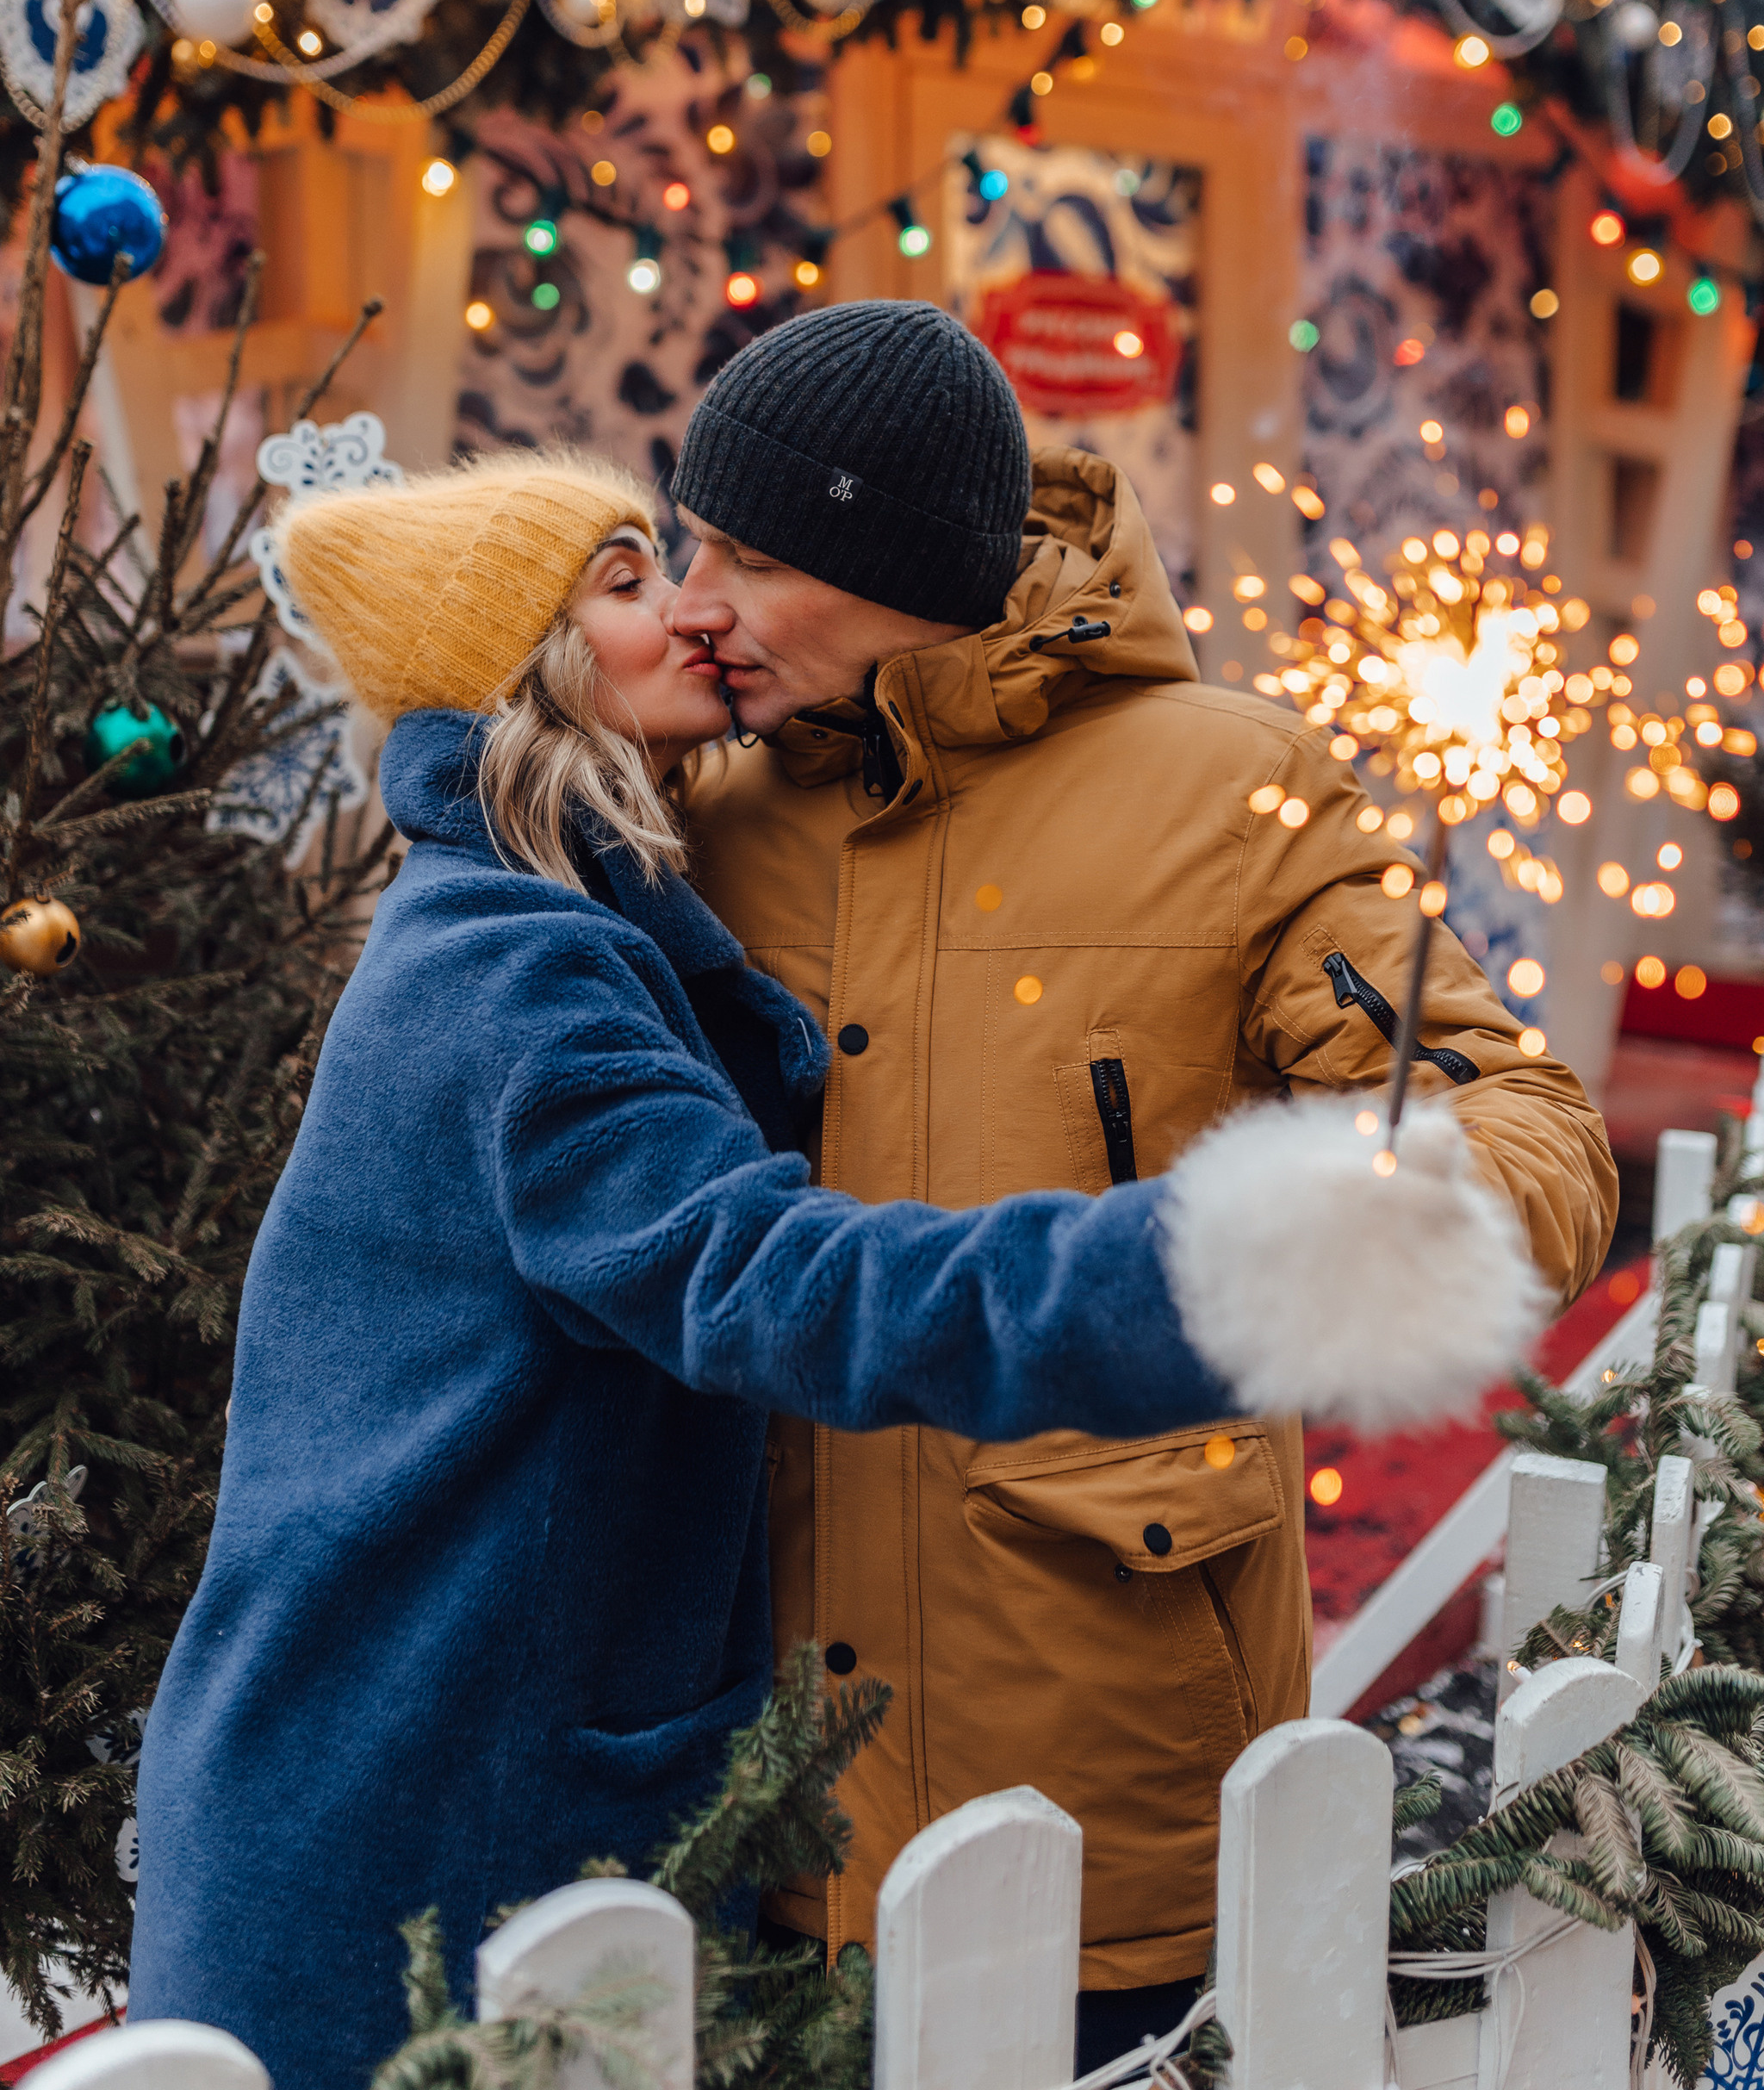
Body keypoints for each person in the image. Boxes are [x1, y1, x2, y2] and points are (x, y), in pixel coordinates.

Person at [125, 451, 1539, 2090]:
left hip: (429, 1742)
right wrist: (1210, 1266)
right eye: (634, 576)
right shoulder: (517, 966)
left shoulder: (595, 899)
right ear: (530, 659)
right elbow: (768, 1277)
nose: (696, 612)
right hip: (420, 1787)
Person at [670, 299, 1620, 2072]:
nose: (694, 594)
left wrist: (1400, 1213)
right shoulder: (698, 812)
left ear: (887, 561)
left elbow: (1514, 1112)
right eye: (685, 540)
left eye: (746, 553)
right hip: (741, 1740)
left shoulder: (1232, 787)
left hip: (1098, 1736)